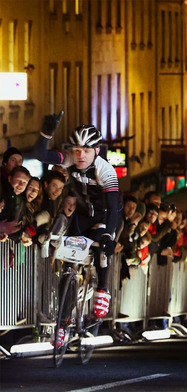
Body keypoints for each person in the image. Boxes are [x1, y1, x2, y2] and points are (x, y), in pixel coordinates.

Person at [34, 114, 120, 327]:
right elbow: (39, 154)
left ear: (96, 151)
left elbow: (113, 208)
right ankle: (64, 320)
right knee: (68, 268)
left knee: (101, 250)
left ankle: (103, 288)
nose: (81, 155)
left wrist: (110, 235)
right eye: (77, 150)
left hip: (103, 215)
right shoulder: (70, 159)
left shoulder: (106, 171)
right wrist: (46, 133)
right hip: (80, 218)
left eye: (87, 150)